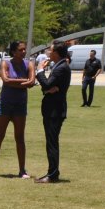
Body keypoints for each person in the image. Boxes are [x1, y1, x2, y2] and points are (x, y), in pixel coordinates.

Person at [0, 40, 35, 178]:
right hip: (5, 104)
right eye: (21, 50)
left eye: (24, 50)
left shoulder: (29, 64)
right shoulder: (5, 63)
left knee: (20, 137)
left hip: (20, 105)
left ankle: (22, 170)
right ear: (14, 51)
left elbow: (32, 82)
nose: (24, 52)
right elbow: (6, 80)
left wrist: (15, 81)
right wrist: (24, 82)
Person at [34, 43, 71, 183]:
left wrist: (39, 71)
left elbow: (48, 84)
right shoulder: (59, 65)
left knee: (52, 143)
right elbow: (48, 87)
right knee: (51, 142)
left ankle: (53, 174)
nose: (49, 52)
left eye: (51, 49)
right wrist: (47, 89)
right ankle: (51, 172)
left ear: (57, 52)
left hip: (55, 111)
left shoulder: (61, 67)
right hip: (52, 110)